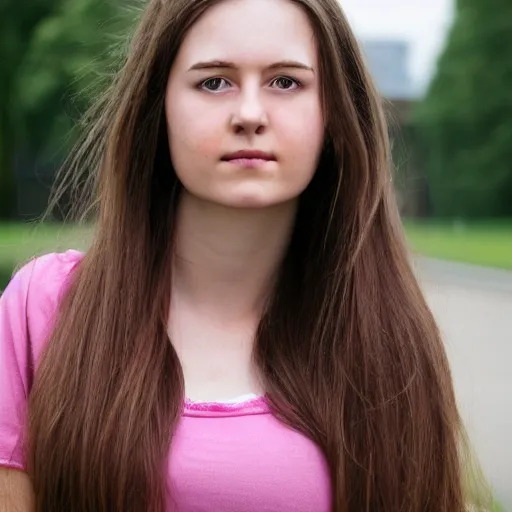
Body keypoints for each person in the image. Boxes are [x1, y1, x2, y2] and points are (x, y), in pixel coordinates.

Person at [0, 0, 490, 510]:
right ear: (158, 105)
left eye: (285, 82)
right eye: (214, 82)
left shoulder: (388, 340)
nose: (250, 114)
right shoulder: (46, 309)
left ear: (334, 114)